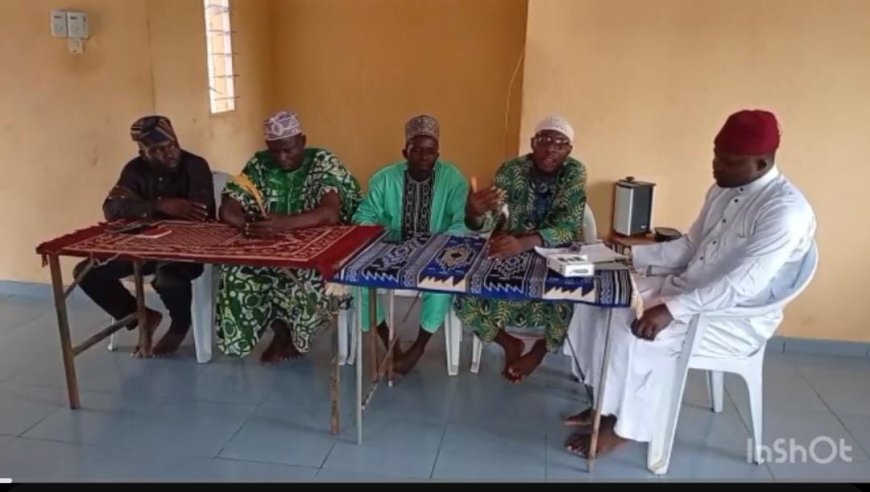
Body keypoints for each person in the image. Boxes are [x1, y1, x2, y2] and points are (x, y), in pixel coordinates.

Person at [562, 109, 817, 459]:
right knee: (598, 296)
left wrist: (671, 309)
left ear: (761, 163)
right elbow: (690, 246)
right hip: (688, 287)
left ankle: (626, 427)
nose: (715, 166)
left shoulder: (784, 211)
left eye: (728, 161)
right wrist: (624, 256)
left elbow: (741, 285)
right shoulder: (724, 189)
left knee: (629, 327)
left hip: (733, 315)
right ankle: (604, 403)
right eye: (715, 155)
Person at [216, 110, 363, 363]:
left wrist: (282, 225)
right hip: (269, 248)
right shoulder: (259, 163)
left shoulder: (322, 161)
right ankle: (281, 332)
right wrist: (251, 227)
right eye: (275, 151)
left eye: (288, 150)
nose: (281, 158)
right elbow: (227, 209)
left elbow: (329, 213)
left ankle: (297, 338)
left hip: (318, 249)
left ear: (302, 141)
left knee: (304, 279)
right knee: (235, 274)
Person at [454, 115, 588, 383]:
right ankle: (509, 343)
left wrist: (525, 243)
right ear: (532, 143)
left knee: (571, 297)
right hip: (508, 251)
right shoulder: (511, 171)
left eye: (560, 143)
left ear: (569, 150)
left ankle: (540, 350)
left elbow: (569, 226)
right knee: (462, 294)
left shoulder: (574, 172)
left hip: (556, 253)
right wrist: (473, 213)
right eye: (545, 140)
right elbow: (491, 220)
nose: (551, 149)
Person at [74, 115, 215, 357]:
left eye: (172, 145)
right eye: (158, 150)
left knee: (168, 276)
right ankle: (140, 316)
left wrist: (140, 208)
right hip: (141, 247)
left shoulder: (195, 166)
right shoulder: (134, 170)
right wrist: (162, 205)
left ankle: (180, 325)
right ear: (144, 154)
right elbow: (112, 209)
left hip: (184, 250)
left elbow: (198, 214)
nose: (169, 153)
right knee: (86, 272)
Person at [353, 114, 469, 374]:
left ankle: (418, 348)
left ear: (438, 154)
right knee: (357, 281)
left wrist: (439, 244)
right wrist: (378, 239)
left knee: (442, 281)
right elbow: (364, 215)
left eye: (430, 151)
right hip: (391, 252)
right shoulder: (384, 178)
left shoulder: (452, 179)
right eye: (416, 150)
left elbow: (462, 221)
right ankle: (389, 342)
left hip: (436, 252)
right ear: (405, 152)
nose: (423, 156)